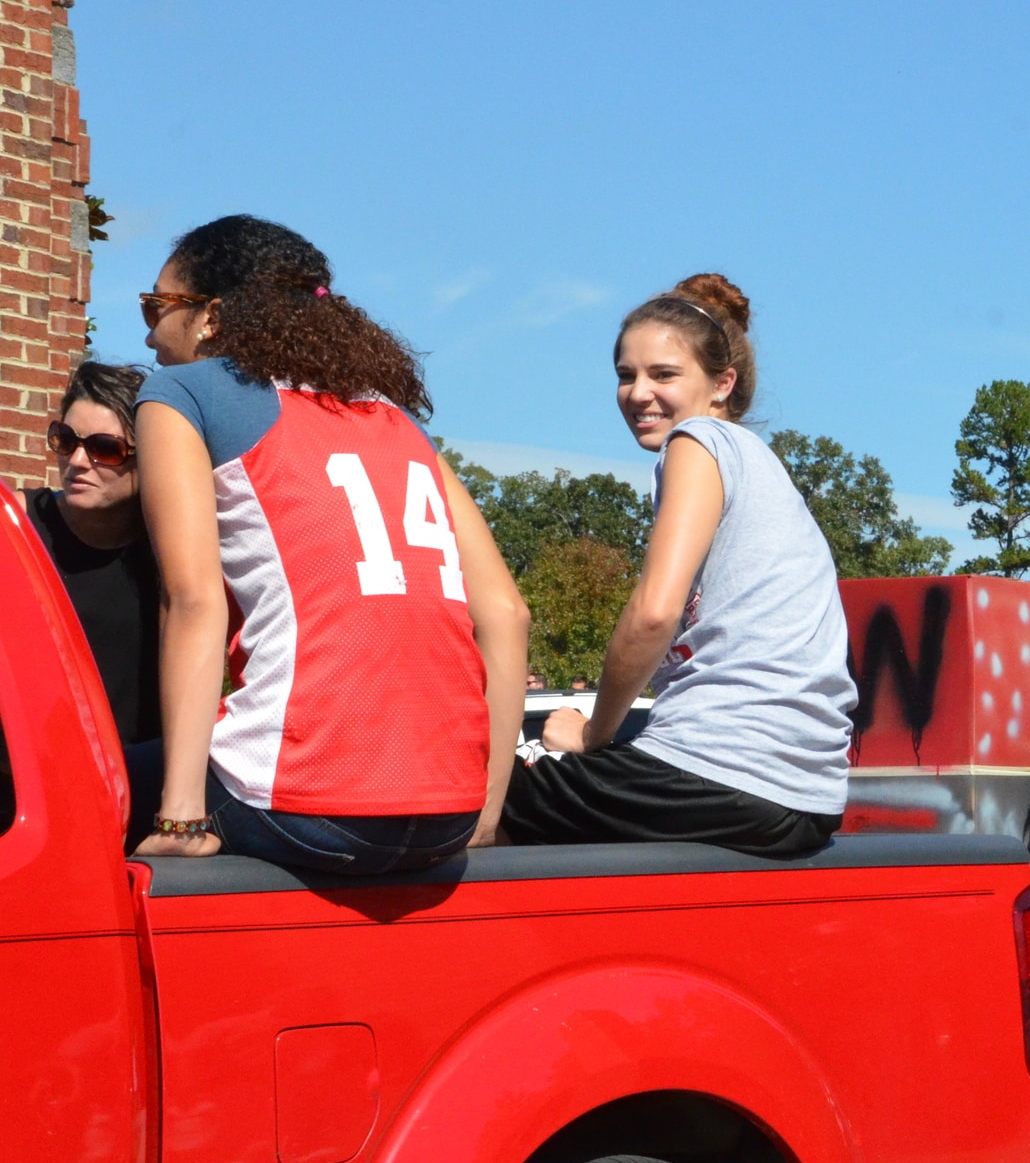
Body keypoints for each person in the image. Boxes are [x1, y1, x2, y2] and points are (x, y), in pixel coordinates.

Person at [131, 216, 529, 873]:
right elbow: (507, 615)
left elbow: (193, 600)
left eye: (157, 306)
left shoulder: (180, 394)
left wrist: (180, 821)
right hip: (450, 818)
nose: (148, 332)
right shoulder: (395, 420)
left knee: (86, 785)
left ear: (211, 318)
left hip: (306, 804)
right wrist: (482, 818)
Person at [498, 275, 855, 857]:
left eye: (663, 374)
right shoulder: (761, 470)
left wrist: (593, 734)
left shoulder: (699, 439)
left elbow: (652, 615)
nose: (638, 393)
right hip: (803, 793)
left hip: (723, 768)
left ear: (722, 385)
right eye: (625, 375)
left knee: (462, 800)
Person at [25, 360, 162, 847]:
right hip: (19, 799)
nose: (77, 462)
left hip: (129, 801)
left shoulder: (173, 558)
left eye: (104, 448)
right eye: (66, 440)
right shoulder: (18, 529)